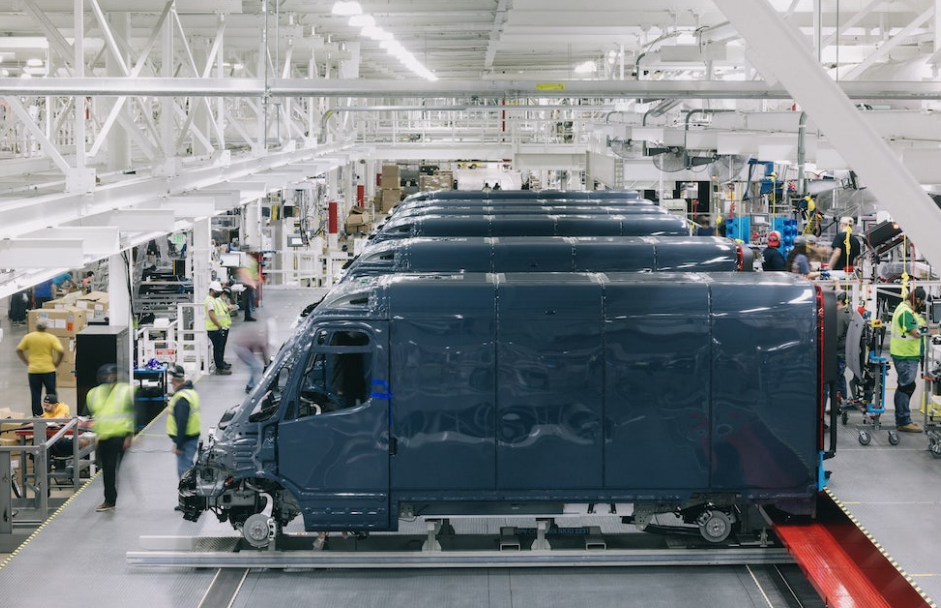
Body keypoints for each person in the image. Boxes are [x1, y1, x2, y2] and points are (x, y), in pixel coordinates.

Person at [86, 364, 134, 511]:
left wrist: (129, 436)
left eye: (112, 378)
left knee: (111, 469)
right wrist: (90, 436)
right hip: (103, 438)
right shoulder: (93, 394)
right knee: (108, 469)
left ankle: (110, 499)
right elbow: (91, 416)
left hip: (119, 436)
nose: (110, 381)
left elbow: (132, 414)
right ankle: (110, 499)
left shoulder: (124, 391)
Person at [889, 286, 927, 433]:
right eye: (921, 301)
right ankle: (903, 421)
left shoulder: (905, 309)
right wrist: (928, 330)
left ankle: (903, 419)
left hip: (907, 355)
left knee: (906, 386)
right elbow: (916, 333)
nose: (922, 304)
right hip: (905, 355)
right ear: (916, 299)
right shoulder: (905, 312)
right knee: (906, 387)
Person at [16, 319, 65, 416]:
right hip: (49, 370)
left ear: (36, 326)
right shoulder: (51, 338)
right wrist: (57, 363)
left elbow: (19, 350)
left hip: (34, 370)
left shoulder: (28, 337)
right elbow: (61, 351)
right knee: (51, 393)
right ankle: (53, 414)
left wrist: (26, 362)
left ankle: (37, 415)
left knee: (35, 394)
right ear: (46, 327)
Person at [166, 365, 200, 482]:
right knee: (187, 470)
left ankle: (189, 498)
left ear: (174, 382)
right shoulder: (190, 391)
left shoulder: (182, 398)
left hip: (185, 441)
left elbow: (182, 423)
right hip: (190, 438)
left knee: (184, 473)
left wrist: (179, 445)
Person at [234, 317, 271, 393]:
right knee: (256, 366)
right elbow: (263, 352)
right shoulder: (262, 339)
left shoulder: (259, 334)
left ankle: (251, 384)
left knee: (254, 366)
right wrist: (267, 364)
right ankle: (251, 386)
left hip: (240, 346)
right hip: (241, 348)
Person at [205, 281, 232, 375]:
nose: (219, 293)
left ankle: (220, 364)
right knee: (218, 348)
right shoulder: (210, 301)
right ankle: (220, 368)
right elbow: (211, 315)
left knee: (219, 348)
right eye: (217, 291)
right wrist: (219, 325)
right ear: (212, 290)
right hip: (214, 329)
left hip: (216, 328)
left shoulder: (212, 300)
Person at [236, 255, 259, 322]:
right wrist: (251, 282)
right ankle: (248, 316)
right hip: (247, 283)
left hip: (249, 282)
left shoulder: (250, 260)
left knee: (250, 299)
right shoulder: (247, 260)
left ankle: (248, 315)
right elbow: (245, 272)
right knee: (249, 299)